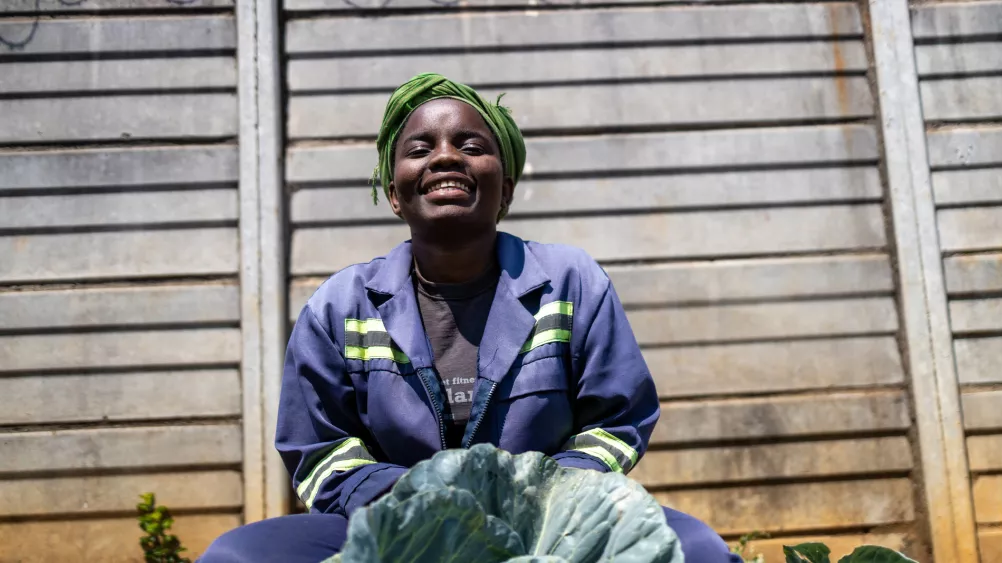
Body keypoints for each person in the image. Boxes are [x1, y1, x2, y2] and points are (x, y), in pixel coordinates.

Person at [200, 73, 740, 563]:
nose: (444, 157)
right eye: (420, 148)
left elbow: (617, 422)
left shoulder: (571, 283)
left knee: (699, 552)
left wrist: (538, 494)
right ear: (394, 192)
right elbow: (319, 449)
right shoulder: (341, 306)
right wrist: (410, 500)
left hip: (549, 527)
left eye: (470, 145)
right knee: (236, 556)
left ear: (504, 190)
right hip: (392, 531)